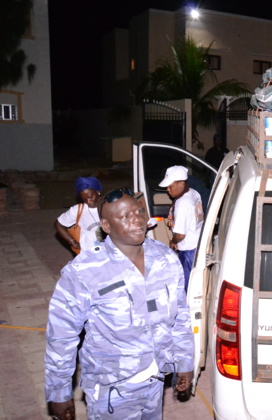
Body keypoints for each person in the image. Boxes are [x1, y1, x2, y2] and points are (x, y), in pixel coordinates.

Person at [44, 188, 194, 419]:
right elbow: (61, 337)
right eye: (125, 216)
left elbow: (180, 316)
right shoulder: (85, 271)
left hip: (155, 381)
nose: (136, 219)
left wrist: (184, 362)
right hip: (112, 391)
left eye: (138, 212)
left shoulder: (165, 258)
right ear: (106, 225)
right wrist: (59, 392)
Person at [159, 165, 204, 292]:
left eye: (170, 186)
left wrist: (173, 242)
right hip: (196, 242)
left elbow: (180, 235)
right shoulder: (194, 193)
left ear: (181, 184)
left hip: (188, 248)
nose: (168, 190)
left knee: (186, 284)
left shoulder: (183, 203)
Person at [54, 176, 104, 254]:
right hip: (88, 254)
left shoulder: (110, 206)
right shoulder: (78, 210)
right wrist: (73, 242)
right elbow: (58, 224)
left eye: (91, 197)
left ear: (98, 192)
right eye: (84, 199)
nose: (88, 201)